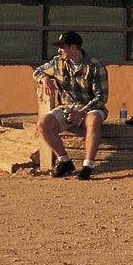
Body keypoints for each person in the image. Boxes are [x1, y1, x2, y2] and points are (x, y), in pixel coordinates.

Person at [35, 31, 107, 179]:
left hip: (90, 108)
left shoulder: (94, 66)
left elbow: (101, 97)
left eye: (62, 47)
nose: (59, 50)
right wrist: (44, 79)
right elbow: (37, 71)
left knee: (94, 120)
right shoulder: (57, 62)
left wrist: (83, 111)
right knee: (43, 124)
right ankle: (64, 161)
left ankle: (88, 166)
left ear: (73, 47)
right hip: (66, 107)